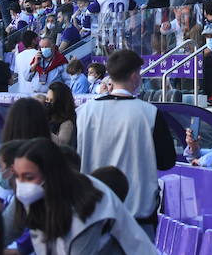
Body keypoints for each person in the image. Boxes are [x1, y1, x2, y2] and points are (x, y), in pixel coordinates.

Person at [74, 49, 178, 223]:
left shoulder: (83, 112)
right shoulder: (150, 113)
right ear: (134, 75)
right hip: (137, 213)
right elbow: (166, 161)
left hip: (92, 211)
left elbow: (72, 158)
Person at [5, 137, 155, 253]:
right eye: (17, 176)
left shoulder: (86, 208)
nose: (21, 184)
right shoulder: (29, 194)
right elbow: (0, 233)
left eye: (29, 177)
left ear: (51, 175)